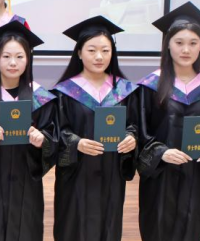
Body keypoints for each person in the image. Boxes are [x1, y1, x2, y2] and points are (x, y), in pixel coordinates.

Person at [136, 2, 200, 241]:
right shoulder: (150, 87)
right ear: (167, 44)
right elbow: (140, 132)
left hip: (197, 178)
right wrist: (161, 153)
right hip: (160, 179)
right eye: (179, 42)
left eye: (193, 43)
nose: (186, 49)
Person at [51, 16, 139, 241]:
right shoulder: (65, 91)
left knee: (107, 225)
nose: (99, 56)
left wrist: (131, 137)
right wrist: (76, 143)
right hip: (76, 175)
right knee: (73, 226)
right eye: (92, 50)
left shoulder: (125, 90)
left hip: (111, 174)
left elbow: (135, 125)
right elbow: (56, 131)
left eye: (105, 50)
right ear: (79, 53)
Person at [0, 21, 58, 241]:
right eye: (7, 56)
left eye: (20, 56)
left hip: (26, 179)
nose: (13, 63)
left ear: (28, 59)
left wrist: (43, 140)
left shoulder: (41, 97)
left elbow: (53, 137)